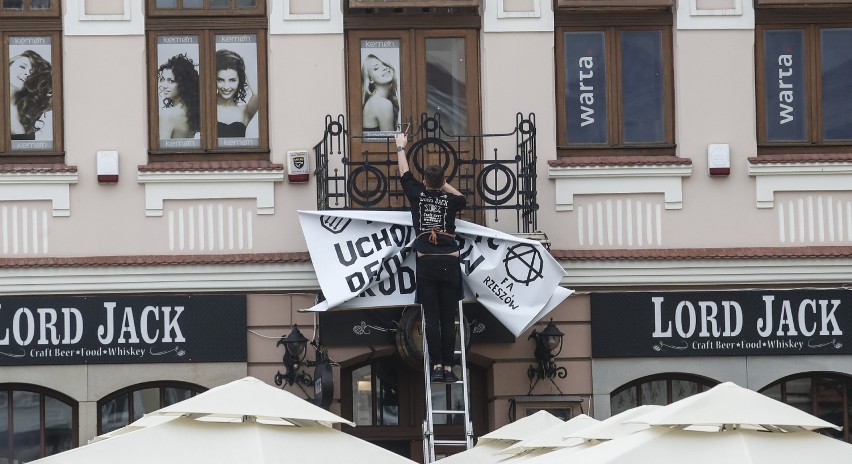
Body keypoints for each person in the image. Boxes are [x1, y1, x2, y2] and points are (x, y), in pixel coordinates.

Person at [395, 131, 467, 383]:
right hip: (450, 262)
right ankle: (449, 368)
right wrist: (443, 183)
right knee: (448, 320)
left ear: (424, 182)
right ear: (443, 180)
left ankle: (436, 366)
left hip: (427, 263)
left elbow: (404, 174)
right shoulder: (450, 200)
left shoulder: (418, 196)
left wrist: (400, 147)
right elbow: (462, 198)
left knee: (432, 319)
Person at [216, 49, 259, 138]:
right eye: (220, 80)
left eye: (232, 80)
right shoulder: (204, 109)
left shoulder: (246, 111)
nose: (226, 87)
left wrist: (241, 66)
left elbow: (258, 94)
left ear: (240, 81)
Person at [9, 50, 52, 141]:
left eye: (32, 72)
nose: (27, 74)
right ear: (9, 64)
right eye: (22, 66)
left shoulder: (28, 107)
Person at [157, 53, 200, 139]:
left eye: (171, 81)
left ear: (183, 83)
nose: (164, 85)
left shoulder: (167, 115)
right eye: (163, 79)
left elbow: (163, 150)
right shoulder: (192, 113)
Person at [361, 54, 399, 132]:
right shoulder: (382, 103)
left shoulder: (376, 100)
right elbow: (388, 143)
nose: (384, 68)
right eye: (376, 68)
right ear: (370, 79)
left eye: (384, 64)